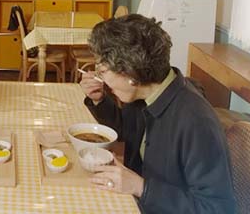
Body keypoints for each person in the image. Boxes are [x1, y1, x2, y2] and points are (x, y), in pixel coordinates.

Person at [79, 14, 236, 213]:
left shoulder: (195, 121)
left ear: (130, 74)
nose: (100, 79)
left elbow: (217, 208)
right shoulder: (146, 94)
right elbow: (124, 130)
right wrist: (99, 99)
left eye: (102, 71)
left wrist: (141, 187)